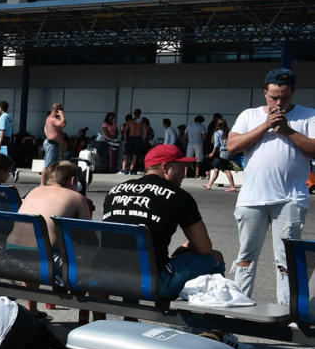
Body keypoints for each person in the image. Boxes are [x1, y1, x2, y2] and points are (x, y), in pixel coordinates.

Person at [227, 66, 315, 303]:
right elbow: (232, 146)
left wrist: (287, 131)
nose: (279, 102)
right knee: (246, 256)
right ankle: (236, 309)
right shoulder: (249, 115)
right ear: (264, 92)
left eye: (284, 97)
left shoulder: (309, 115)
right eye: (274, 96)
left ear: (293, 93)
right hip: (252, 197)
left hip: (290, 198)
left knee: (286, 260)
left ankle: (287, 314)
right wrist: (266, 125)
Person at [101, 144, 223, 299]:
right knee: (215, 257)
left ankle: (104, 320)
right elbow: (204, 248)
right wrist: (186, 246)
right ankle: (210, 318)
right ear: (165, 167)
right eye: (181, 168)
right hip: (153, 282)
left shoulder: (114, 191)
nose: (184, 174)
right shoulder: (180, 196)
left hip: (106, 275)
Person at [205, 116, 237, 193]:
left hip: (222, 153)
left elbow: (216, 145)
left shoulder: (217, 133)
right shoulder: (228, 132)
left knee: (226, 170)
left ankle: (232, 187)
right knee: (216, 169)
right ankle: (209, 184)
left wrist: (212, 153)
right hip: (228, 153)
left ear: (217, 125)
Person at [43, 103, 66, 169]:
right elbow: (62, 124)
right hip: (51, 144)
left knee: (55, 166)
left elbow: (63, 124)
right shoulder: (51, 119)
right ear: (56, 110)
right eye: (60, 110)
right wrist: (62, 115)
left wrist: (62, 116)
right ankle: (43, 180)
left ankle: (52, 179)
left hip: (55, 144)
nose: (61, 111)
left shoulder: (56, 120)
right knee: (48, 166)